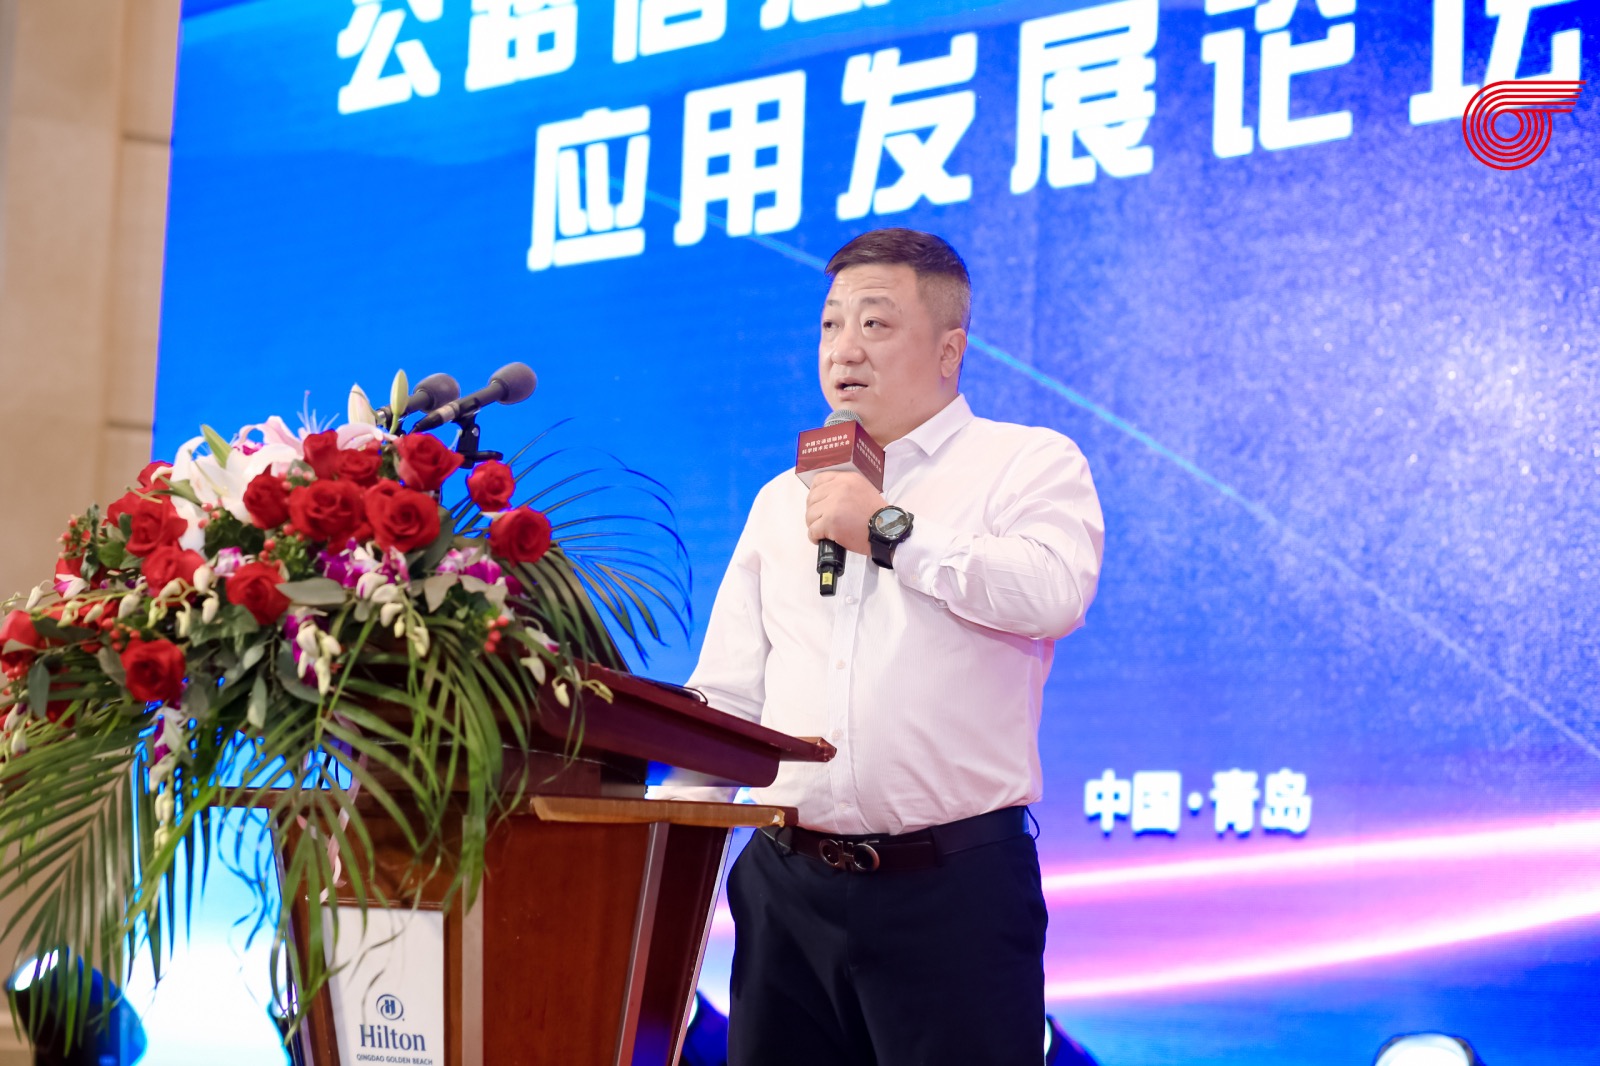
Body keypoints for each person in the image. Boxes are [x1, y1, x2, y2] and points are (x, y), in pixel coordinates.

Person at [659, 228, 1104, 1064]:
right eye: (831, 324)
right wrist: (658, 908)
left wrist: (888, 529)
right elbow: (727, 704)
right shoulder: (782, 498)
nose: (845, 349)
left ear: (949, 351)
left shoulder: (1025, 462)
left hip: (952, 894)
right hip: (785, 891)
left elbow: (1052, 593)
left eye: (875, 323)